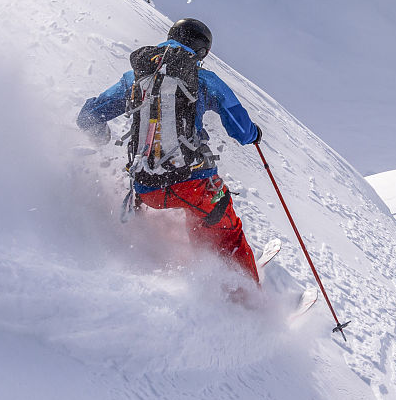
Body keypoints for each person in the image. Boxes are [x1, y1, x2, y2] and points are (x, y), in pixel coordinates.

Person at [76, 18, 263, 283]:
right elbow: (242, 131)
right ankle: (248, 302)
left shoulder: (135, 76)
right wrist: (255, 133)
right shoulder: (204, 79)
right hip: (193, 186)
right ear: (201, 51)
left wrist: (101, 136)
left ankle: (148, 260)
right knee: (223, 227)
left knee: (182, 201)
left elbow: (88, 116)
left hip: (145, 188)